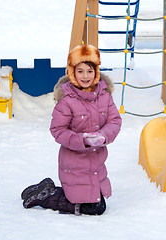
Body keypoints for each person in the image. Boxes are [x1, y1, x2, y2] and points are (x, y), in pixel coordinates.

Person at [21, 44, 122, 215]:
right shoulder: (67, 100)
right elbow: (58, 130)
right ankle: (46, 196)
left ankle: (49, 190)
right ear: (72, 72)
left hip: (96, 164)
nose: (85, 76)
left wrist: (103, 136)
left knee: (96, 201)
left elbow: (115, 120)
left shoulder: (104, 95)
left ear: (96, 72)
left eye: (90, 71)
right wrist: (82, 140)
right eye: (80, 71)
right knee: (96, 207)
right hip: (74, 163)